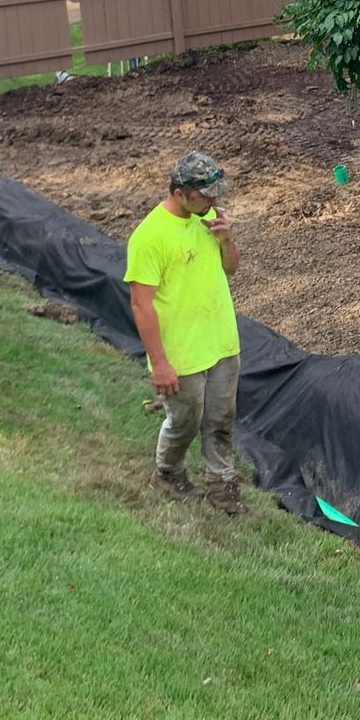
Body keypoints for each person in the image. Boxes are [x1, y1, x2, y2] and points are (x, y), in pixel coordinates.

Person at [125, 151, 246, 514]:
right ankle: (168, 472)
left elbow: (232, 268)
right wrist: (160, 363)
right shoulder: (149, 237)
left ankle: (222, 487)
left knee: (221, 419)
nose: (213, 201)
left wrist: (227, 239)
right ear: (179, 193)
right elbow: (140, 304)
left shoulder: (208, 218)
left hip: (221, 340)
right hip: (182, 352)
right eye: (205, 195)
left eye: (215, 193)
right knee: (185, 421)